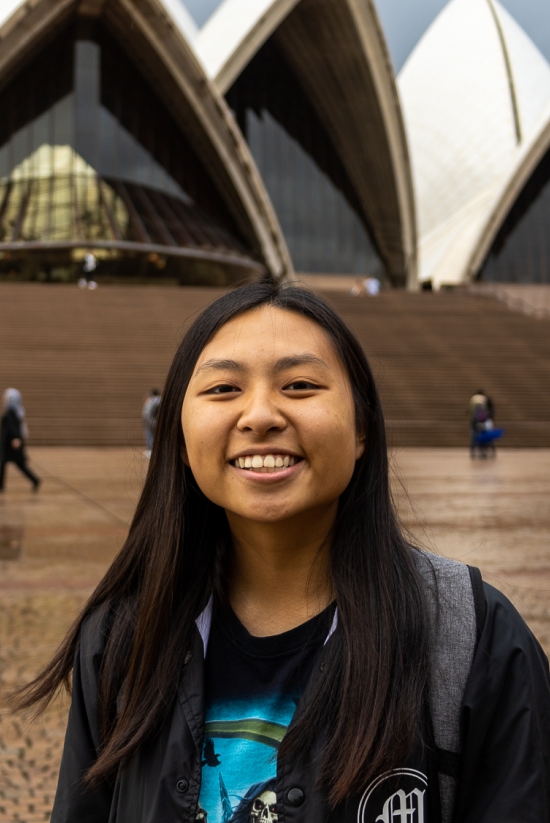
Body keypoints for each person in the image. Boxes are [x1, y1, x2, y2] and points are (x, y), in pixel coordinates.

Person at [12, 282, 550, 822]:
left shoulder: (475, 639)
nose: (260, 415)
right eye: (223, 389)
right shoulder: (122, 638)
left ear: (362, 427)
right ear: (177, 434)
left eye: (299, 385)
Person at [0, 388, 40, 492]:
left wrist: (15, 438)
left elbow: (13, 427)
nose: (4, 399)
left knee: (19, 464)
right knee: (5, 463)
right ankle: (1, 485)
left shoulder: (11, 412)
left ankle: (35, 480)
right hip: (8, 443)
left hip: (11, 443)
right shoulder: (15, 411)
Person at [142, 388, 161, 455]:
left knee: (150, 435)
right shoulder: (159, 400)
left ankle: (151, 449)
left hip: (149, 420)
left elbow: (147, 413)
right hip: (154, 420)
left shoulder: (153, 400)